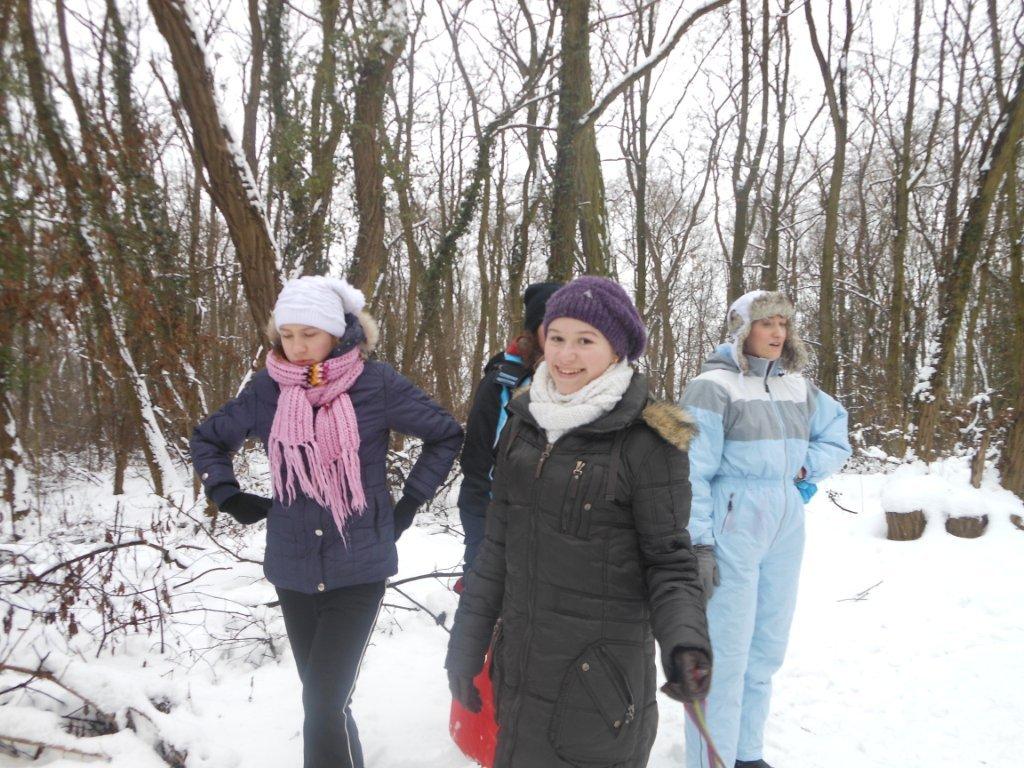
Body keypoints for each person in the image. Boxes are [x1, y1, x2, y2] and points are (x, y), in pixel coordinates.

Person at [189, 276, 463, 768]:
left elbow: (444, 434)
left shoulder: (376, 384)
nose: (296, 346)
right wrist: (226, 493)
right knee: (327, 704)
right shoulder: (267, 389)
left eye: (309, 334)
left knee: (322, 704)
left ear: (337, 332)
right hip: (293, 568)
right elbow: (208, 438)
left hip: (358, 566)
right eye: (287, 334)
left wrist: (409, 502)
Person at [446, 276, 712, 768]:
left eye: (585, 341)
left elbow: (670, 562)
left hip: (598, 689)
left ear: (617, 349)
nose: (566, 355)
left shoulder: (649, 439)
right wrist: (466, 647)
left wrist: (686, 641)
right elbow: (495, 552)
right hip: (518, 677)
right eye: (557, 338)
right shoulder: (524, 423)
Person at [680, 290, 852, 768]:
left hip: (784, 520)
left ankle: (747, 752)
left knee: (766, 648)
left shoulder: (797, 386)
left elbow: (837, 435)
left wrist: (804, 468)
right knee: (726, 652)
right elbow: (690, 471)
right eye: (766, 323)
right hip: (732, 518)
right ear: (742, 329)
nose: (778, 332)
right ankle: (712, 758)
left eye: (783, 323)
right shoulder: (712, 387)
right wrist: (699, 543)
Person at [458, 281, 562, 572]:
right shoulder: (502, 382)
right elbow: (477, 463)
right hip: (500, 522)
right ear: (534, 330)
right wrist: (483, 538)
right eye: (551, 325)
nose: (561, 335)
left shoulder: (587, 382)